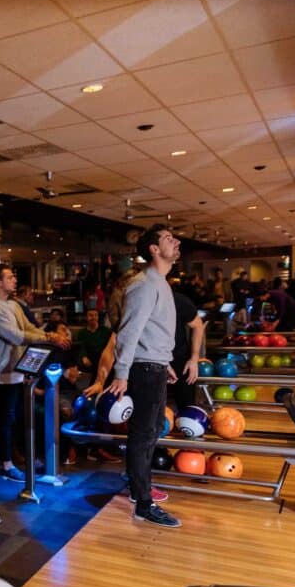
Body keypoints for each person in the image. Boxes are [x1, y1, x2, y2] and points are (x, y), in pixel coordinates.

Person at [107, 224, 182, 528]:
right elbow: (129, 332)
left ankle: (142, 494)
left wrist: (166, 362)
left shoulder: (161, 283)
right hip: (143, 370)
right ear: (153, 249)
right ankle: (143, 503)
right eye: (167, 238)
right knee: (142, 437)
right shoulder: (144, 284)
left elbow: (152, 331)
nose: (176, 242)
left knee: (150, 436)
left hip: (156, 366)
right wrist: (122, 373)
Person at [0, 263, 68, 482]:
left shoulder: (12, 304)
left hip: (16, 370)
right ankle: (6, 463)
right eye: (10, 277)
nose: (14, 280)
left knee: (15, 418)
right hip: (0, 373)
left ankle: (15, 458)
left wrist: (51, 334)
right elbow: (14, 335)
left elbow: (28, 328)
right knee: (5, 419)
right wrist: (49, 337)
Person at [77, 308, 112, 374]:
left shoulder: (106, 331)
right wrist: (84, 356)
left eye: (96, 315)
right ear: (86, 317)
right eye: (90, 315)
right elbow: (81, 347)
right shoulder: (82, 333)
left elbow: (110, 345)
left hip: (104, 360)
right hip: (90, 360)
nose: (93, 317)